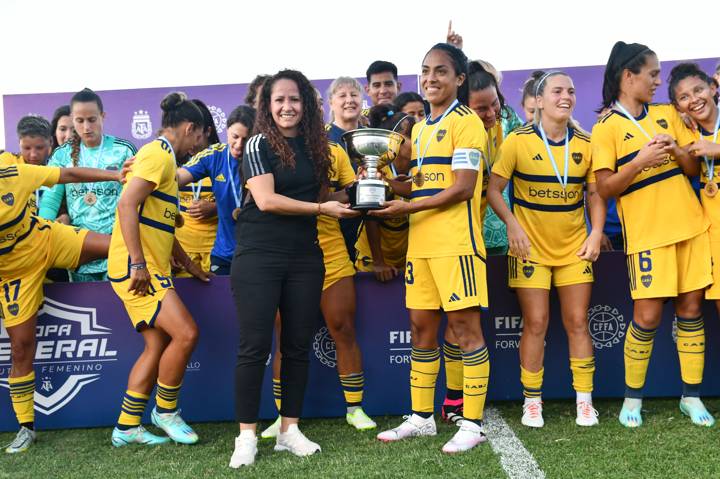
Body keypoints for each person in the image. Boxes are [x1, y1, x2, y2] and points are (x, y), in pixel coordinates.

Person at [229, 70, 360, 468]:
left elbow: (321, 195)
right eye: (279, 100)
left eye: (295, 99)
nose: (287, 107)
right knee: (255, 347)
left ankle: (289, 430)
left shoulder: (316, 146)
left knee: (298, 347)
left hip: (305, 255)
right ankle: (247, 436)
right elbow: (267, 200)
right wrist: (323, 209)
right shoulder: (256, 143)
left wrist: (367, 190)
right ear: (267, 106)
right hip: (258, 256)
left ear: (306, 103)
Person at [372, 43, 490, 454]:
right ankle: (422, 417)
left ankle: (472, 424)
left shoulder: (468, 122)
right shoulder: (419, 129)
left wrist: (408, 204)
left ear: (459, 79)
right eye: (425, 71)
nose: (431, 78)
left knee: (465, 332)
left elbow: (462, 187)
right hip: (419, 246)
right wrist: (383, 185)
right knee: (421, 331)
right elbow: (421, 183)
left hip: (457, 245)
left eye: (441, 71)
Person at [592, 42, 713, 428]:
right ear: (630, 77)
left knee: (691, 311)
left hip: (691, 227)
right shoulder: (606, 127)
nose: (659, 81)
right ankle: (633, 398)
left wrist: (676, 150)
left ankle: (691, 397)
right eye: (653, 74)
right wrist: (641, 161)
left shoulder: (667, 115)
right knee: (645, 317)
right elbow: (605, 188)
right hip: (647, 235)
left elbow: (693, 171)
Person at [488, 71, 605, 428]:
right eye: (556, 91)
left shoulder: (586, 142)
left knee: (577, 322)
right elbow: (493, 190)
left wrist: (596, 232)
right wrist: (513, 225)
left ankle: (585, 402)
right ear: (538, 101)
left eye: (570, 90)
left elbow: (595, 194)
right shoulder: (517, 141)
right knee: (536, 322)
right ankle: (532, 402)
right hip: (530, 250)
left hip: (574, 248)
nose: (565, 96)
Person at [0, 119, 123, 453]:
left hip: (47, 239)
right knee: (22, 347)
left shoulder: (14, 173)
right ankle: (26, 427)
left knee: (119, 246)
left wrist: (116, 175)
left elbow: (68, 175)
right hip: (13, 274)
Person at [108, 92, 210, 447]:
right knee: (186, 334)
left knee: (157, 345)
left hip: (151, 267)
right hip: (139, 268)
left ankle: (126, 426)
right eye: (200, 137)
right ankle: (165, 412)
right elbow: (127, 204)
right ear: (189, 128)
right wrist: (137, 262)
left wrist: (189, 266)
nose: (198, 146)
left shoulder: (161, 159)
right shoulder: (157, 154)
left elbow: (163, 227)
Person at [40, 88, 137, 282]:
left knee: (118, 309)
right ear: (72, 119)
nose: (86, 127)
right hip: (79, 250)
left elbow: (137, 199)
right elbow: (50, 203)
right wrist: (42, 240)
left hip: (118, 246)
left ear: (103, 116)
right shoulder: (61, 155)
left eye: (92, 120)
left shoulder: (123, 150)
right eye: (80, 120)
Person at [669, 63, 720, 342]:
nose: (694, 99)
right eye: (684, 97)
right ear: (678, 107)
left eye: (698, 90)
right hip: (712, 236)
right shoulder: (688, 135)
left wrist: (718, 149)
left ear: (713, 87)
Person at [179, 105, 255, 275]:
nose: (239, 144)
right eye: (235, 137)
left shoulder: (264, 158)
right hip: (224, 254)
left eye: (246, 139)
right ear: (227, 131)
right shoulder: (214, 155)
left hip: (257, 253)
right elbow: (175, 178)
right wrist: (148, 173)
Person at [354, 104, 414, 281]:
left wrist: (388, 183)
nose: (419, 140)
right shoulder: (376, 167)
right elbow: (371, 216)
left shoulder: (421, 164)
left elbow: (420, 190)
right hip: (374, 257)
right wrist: (379, 262)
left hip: (408, 257)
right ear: (394, 143)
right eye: (411, 136)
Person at [174, 99, 221, 275]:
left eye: (197, 135)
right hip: (182, 252)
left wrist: (215, 208)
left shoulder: (223, 159)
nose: (191, 141)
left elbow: (243, 201)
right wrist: (169, 249)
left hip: (216, 251)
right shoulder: (172, 161)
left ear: (208, 131)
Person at [325, 76, 365, 151]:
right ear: (331, 103)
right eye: (342, 96)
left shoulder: (370, 137)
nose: (349, 100)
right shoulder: (322, 138)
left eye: (354, 95)